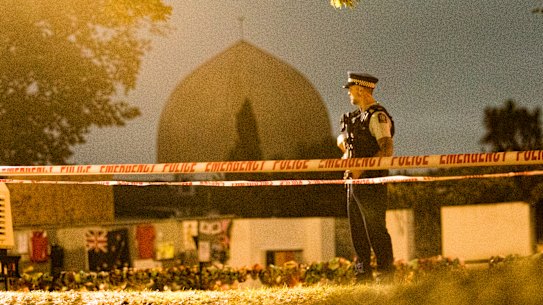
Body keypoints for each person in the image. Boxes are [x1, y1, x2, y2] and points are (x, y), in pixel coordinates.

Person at [337, 72, 395, 283]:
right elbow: (343, 140)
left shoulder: (377, 116)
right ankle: (362, 275)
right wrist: (347, 155)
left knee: (375, 228)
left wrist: (361, 168)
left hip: (372, 181)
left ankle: (386, 274)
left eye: (351, 89)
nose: (349, 93)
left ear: (360, 89)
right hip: (354, 182)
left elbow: (386, 149)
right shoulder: (355, 118)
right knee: (357, 231)